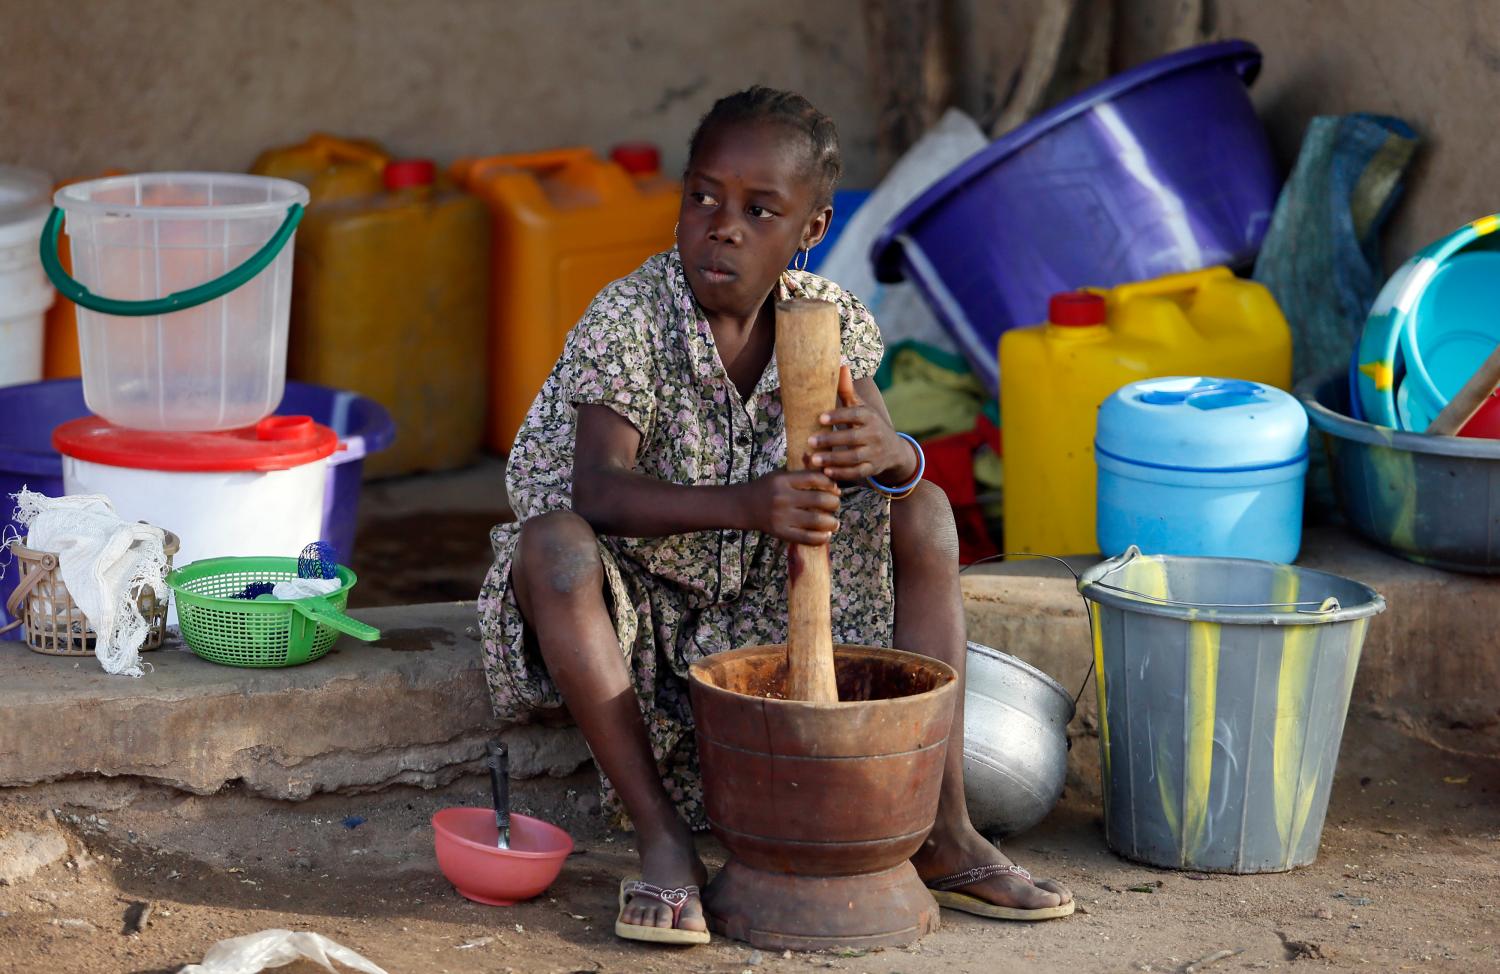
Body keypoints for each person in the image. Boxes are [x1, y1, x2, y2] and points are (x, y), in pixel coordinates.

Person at [477, 85, 1073, 946]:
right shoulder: (631, 318)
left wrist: (891, 451)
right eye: (703, 198)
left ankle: (944, 832)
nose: (722, 226)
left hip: (754, 602)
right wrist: (752, 505)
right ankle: (663, 842)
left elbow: (885, 463)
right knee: (552, 548)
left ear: (812, 229)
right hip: (633, 601)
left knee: (929, 513)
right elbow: (597, 493)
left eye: (760, 211)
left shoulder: (824, 319)